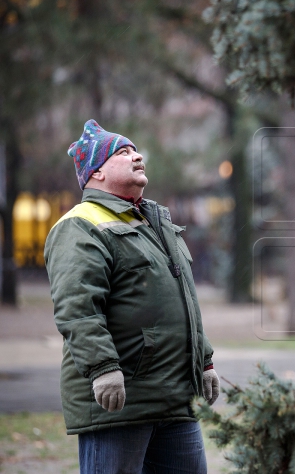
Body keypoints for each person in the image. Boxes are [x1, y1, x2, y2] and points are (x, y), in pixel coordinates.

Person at [44, 119, 219, 473]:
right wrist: (103, 369)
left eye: (136, 150)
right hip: (120, 403)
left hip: (175, 399)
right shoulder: (80, 224)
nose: (137, 157)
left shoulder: (157, 224)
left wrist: (205, 360)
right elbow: (78, 308)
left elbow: (183, 301)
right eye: (123, 153)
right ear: (97, 173)